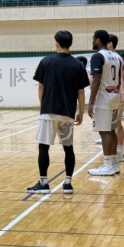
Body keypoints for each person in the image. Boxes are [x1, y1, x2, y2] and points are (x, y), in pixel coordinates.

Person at [27, 31, 90, 194]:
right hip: (68, 112)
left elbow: (41, 86)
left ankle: (43, 183)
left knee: (44, 147)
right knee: (68, 148)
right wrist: (81, 111)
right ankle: (68, 184)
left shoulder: (46, 61)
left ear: (57, 44)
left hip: (49, 111)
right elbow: (81, 92)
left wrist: (43, 106)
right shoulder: (78, 65)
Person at [88, 30, 124, 176]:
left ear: (98, 40)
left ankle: (107, 165)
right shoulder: (118, 57)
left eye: (93, 38)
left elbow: (96, 80)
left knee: (104, 131)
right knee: (111, 130)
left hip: (104, 99)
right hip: (115, 98)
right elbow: (121, 79)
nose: (92, 41)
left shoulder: (98, 56)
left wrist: (91, 102)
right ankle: (113, 163)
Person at [108, 34, 124, 162]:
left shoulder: (114, 58)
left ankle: (117, 153)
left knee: (115, 125)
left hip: (113, 95)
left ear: (110, 44)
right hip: (113, 95)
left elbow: (122, 78)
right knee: (114, 125)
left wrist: (123, 93)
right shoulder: (117, 58)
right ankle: (116, 153)